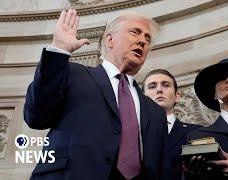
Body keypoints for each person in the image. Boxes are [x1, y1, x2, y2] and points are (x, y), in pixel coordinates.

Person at [23, 9, 168, 180]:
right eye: (135, 32)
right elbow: (36, 116)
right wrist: (59, 49)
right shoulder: (73, 74)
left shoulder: (156, 113)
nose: (143, 41)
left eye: (147, 38)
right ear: (110, 39)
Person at [142, 69, 200, 180]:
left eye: (166, 85)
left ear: (177, 95)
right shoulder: (132, 136)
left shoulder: (196, 132)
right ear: (142, 98)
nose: (159, 90)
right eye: (152, 86)